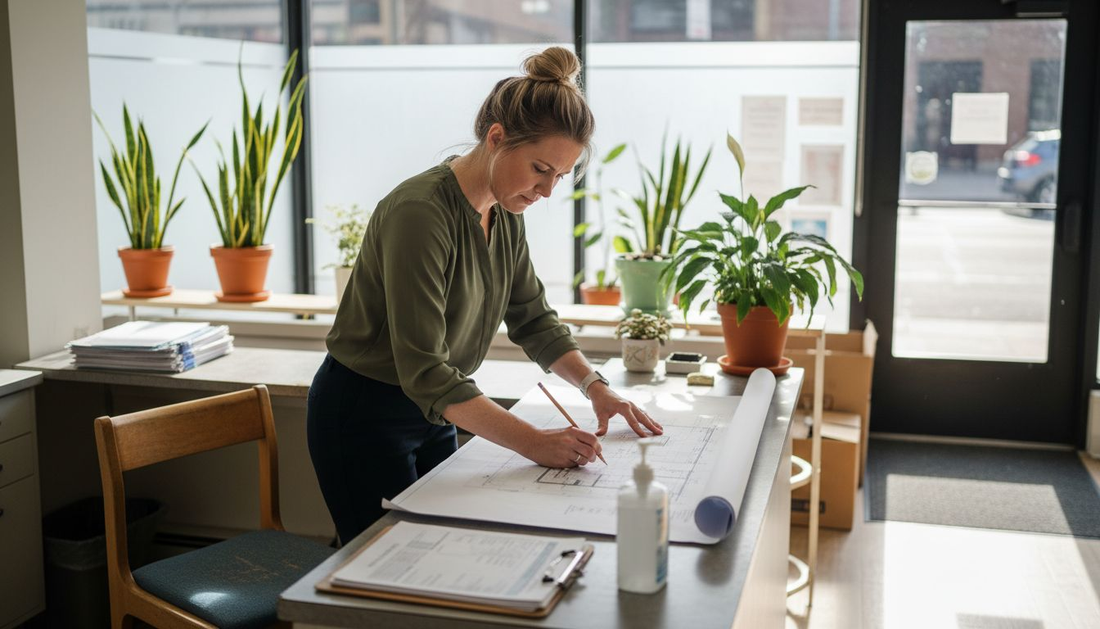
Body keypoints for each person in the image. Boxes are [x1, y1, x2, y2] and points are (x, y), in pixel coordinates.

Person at [306, 46, 663, 546]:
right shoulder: (420, 214)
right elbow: (425, 370)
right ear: (497, 138)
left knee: (443, 549)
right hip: (366, 411)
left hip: (437, 409)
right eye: (540, 168)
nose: (547, 190)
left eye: (560, 176)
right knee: (382, 564)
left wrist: (596, 387)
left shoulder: (505, 213)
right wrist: (536, 444)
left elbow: (533, 319)